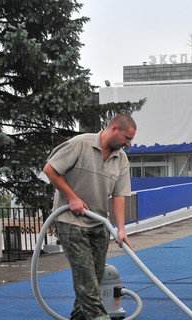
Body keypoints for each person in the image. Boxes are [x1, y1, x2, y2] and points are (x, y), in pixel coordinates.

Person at [43, 114, 136, 320]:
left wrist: (120, 228)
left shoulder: (121, 159)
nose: (128, 144)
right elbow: (50, 169)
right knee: (86, 280)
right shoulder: (80, 144)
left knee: (94, 279)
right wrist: (72, 198)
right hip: (71, 222)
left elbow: (119, 195)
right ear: (114, 129)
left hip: (99, 224)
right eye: (127, 138)